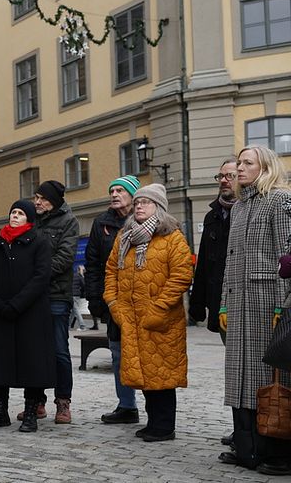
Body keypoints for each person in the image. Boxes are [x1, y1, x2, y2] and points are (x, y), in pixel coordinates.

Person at [218, 146, 291, 475]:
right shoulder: (238, 207)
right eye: (239, 162)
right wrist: (223, 303)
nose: (239, 168)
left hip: (267, 303)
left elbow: (287, 255)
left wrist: (283, 305)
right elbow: (229, 261)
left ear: (266, 167)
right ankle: (245, 447)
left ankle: (275, 452)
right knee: (239, 378)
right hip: (239, 304)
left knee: (270, 377)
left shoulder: (279, 200)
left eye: (248, 163)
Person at [104, 183, 193, 442]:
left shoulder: (172, 237)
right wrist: (113, 303)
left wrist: (159, 307)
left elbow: (181, 275)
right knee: (143, 372)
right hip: (130, 318)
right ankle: (153, 421)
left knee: (162, 374)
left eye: (147, 202)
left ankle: (164, 426)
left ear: (159, 207)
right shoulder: (125, 236)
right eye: (138, 202)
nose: (140, 206)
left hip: (161, 320)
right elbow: (111, 271)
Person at [0, 200, 55, 433]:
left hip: (30, 313)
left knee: (31, 363)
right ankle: (0, 411)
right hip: (1, 313)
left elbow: (41, 277)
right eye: (13, 212)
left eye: (20, 213)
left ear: (29, 219)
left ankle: (30, 413)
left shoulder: (39, 242)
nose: (15, 216)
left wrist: (17, 304)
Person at [85, 174, 141, 424]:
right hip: (115, 301)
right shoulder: (101, 223)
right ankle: (127, 406)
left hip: (142, 299)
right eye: (112, 190)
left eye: (120, 190)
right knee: (118, 353)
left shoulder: (145, 219)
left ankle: (156, 409)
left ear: (133, 195)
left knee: (147, 354)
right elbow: (94, 264)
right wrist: (95, 299)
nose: (115, 194)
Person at [188, 158, 236, 447]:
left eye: (230, 175)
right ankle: (241, 426)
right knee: (233, 367)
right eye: (221, 175)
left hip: (249, 302)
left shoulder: (250, 209)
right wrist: (197, 304)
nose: (224, 180)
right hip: (221, 305)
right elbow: (204, 261)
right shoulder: (213, 215)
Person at [30, 180, 77, 424]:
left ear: (54, 201)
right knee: (35, 351)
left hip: (56, 294)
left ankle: (63, 402)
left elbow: (65, 258)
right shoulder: (32, 219)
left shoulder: (68, 221)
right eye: (35, 197)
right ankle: (37, 401)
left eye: (42, 198)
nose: (37, 202)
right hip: (33, 296)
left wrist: (36, 274)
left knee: (59, 351)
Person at [70, 265, 87, 330]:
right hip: (76, 295)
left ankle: (68, 326)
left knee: (73, 311)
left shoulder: (73, 275)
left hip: (72, 294)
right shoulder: (79, 276)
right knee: (76, 311)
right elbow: (83, 285)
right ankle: (82, 326)